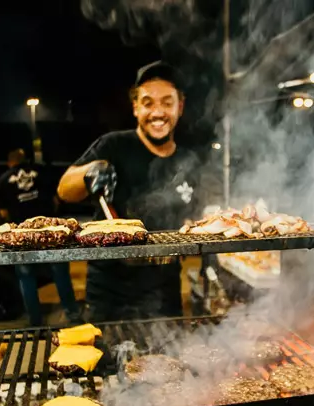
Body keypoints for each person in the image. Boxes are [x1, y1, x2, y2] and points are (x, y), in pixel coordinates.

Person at [57, 61, 205, 322]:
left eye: (167, 102)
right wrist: (91, 171)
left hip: (166, 294)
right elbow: (64, 189)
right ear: (136, 108)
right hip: (110, 295)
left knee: (167, 362)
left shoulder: (189, 161)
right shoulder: (113, 145)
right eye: (148, 103)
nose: (158, 112)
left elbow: (192, 219)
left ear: (179, 107)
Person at [0, 148, 82, 326]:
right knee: (60, 273)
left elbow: (3, 212)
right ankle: (72, 314)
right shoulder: (41, 173)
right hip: (50, 234)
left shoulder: (4, 179)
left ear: (10, 163)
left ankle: (35, 320)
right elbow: (56, 200)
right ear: (25, 159)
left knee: (26, 277)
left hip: (22, 236)